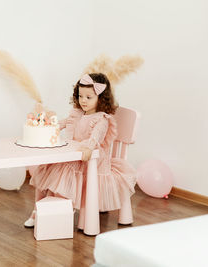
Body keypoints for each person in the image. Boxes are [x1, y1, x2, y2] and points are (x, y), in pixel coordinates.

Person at [24, 73, 136, 227]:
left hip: (91, 160)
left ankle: (50, 214)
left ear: (100, 98)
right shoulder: (77, 113)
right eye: (81, 96)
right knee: (46, 172)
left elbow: (96, 137)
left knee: (59, 178)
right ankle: (39, 212)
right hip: (74, 156)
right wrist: (50, 126)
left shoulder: (101, 119)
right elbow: (64, 123)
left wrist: (88, 147)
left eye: (89, 97)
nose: (83, 100)